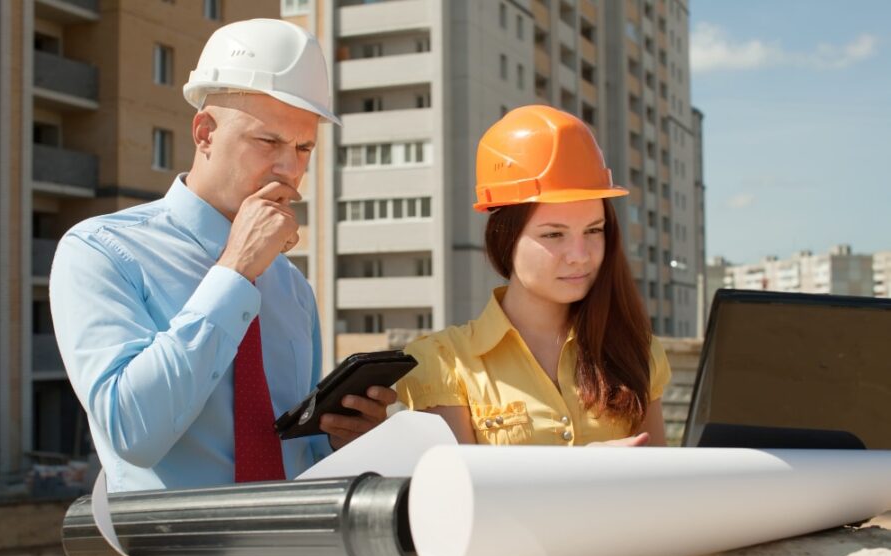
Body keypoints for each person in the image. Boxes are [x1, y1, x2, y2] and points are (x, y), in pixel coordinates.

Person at [49, 19, 396, 492]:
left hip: (289, 544)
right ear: (204, 132)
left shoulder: (292, 286)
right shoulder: (100, 251)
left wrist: (341, 439)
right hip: (176, 549)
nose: (289, 168)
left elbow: (294, 449)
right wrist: (234, 271)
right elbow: (131, 432)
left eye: (303, 147)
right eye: (269, 141)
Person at [397, 105, 671, 446]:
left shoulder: (635, 351)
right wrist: (585, 470)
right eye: (554, 235)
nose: (580, 256)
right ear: (505, 238)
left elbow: (664, 486)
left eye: (593, 230)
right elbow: (461, 492)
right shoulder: (443, 362)